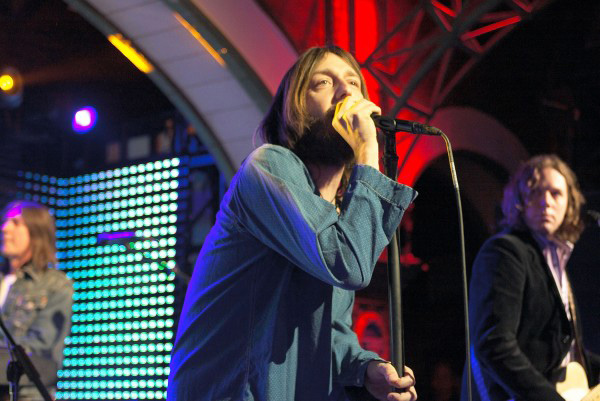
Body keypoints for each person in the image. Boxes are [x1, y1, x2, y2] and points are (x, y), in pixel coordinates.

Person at [167, 45, 418, 401]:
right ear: (294, 108)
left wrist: (366, 369)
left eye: (353, 83)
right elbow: (346, 264)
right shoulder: (268, 167)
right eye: (323, 83)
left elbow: (330, 333)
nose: (346, 93)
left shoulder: (339, 216)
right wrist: (367, 150)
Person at [461, 155, 600, 401]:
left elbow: (562, 350)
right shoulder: (505, 251)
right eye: (536, 192)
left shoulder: (557, 260)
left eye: (556, 193)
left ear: (569, 203)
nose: (546, 202)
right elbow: (494, 343)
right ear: (520, 200)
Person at [0, 201, 73, 400]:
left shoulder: (55, 285)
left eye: (16, 223)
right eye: (5, 222)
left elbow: (40, 347)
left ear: (36, 232)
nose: (5, 228)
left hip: (27, 394)